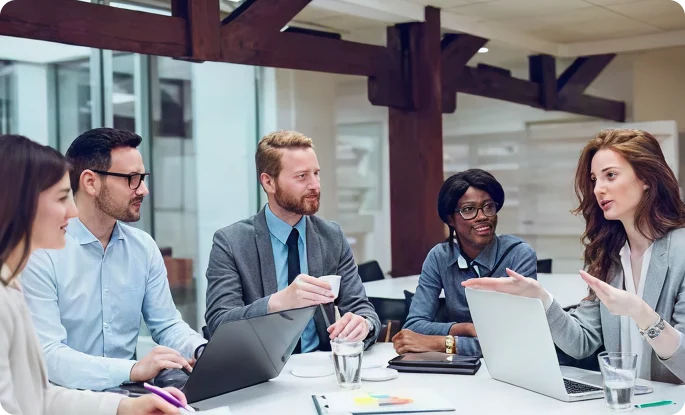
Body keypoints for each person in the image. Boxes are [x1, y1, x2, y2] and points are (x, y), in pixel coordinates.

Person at [464, 129, 685, 384]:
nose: (598, 189)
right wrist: (541, 299)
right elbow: (581, 342)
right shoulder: (606, 254)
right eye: (594, 180)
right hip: (619, 404)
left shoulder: (679, 250)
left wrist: (641, 314)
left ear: (646, 178)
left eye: (610, 176)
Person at [0, 134, 187, 414]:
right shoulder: (22, 278)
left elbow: (39, 397)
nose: (73, 211)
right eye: (62, 197)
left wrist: (125, 407)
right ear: (23, 204)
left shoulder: (9, 287)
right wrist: (133, 371)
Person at [205, 130, 380, 352]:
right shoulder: (231, 242)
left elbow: (361, 307)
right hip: (260, 373)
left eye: (316, 173)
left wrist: (364, 324)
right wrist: (278, 303)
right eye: (302, 176)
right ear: (269, 182)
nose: (315, 185)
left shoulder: (331, 236)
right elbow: (219, 323)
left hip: (320, 368)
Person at [392, 169, 538, 357]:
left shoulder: (518, 255)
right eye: (468, 209)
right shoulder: (440, 257)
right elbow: (414, 326)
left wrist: (443, 343)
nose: (482, 216)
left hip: (512, 366)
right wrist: (466, 328)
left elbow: (515, 340)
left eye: (488, 206)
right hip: (459, 368)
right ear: (451, 219)